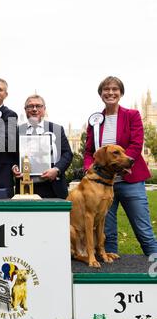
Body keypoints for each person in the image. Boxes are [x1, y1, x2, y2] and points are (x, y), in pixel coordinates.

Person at [84, 76, 157, 255]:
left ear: (121, 93)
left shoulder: (132, 115)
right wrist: (88, 168)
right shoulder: (95, 120)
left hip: (130, 181)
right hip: (101, 185)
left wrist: (118, 165)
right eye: (106, 90)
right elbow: (88, 152)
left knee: (144, 231)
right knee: (107, 234)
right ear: (101, 94)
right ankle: (110, 275)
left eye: (115, 89)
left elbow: (136, 145)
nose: (110, 93)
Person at [13, 95, 73, 198]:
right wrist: (14, 167)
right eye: (30, 106)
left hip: (53, 187)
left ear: (44, 109)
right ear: (25, 109)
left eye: (38, 106)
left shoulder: (56, 129)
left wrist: (56, 170)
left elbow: (67, 154)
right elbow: (11, 157)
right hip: (25, 188)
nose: (34, 109)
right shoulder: (17, 131)